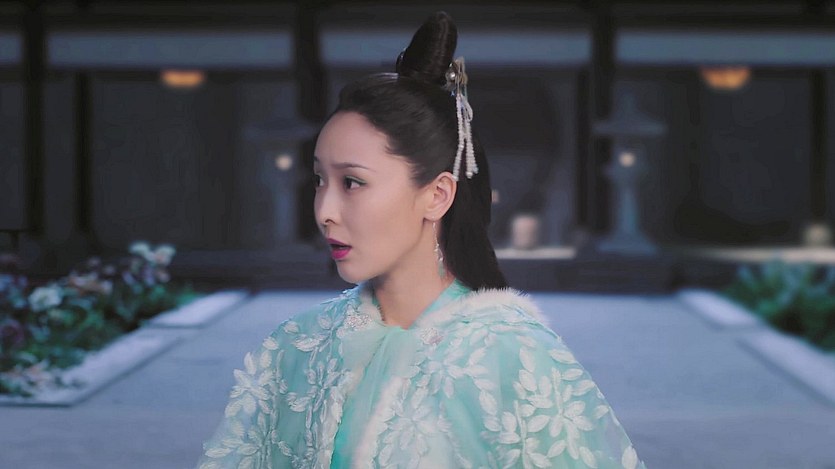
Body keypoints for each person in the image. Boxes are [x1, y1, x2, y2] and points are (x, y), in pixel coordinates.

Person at [198, 11, 645, 469]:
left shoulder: (512, 356)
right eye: (319, 180)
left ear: (437, 195)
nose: (324, 210)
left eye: (352, 182)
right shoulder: (299, 344)